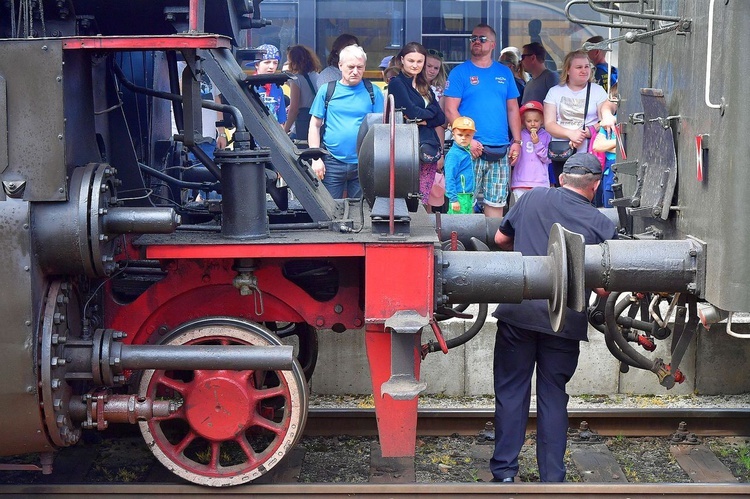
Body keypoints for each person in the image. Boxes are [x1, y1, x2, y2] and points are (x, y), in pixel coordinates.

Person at [491, 153, 618, 483]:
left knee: (511, 392)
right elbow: (606, 288)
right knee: (553, 397)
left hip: (517, 315)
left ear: (562, 178)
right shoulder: (603, 224)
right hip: (564, 324)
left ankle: (504, 473)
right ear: (594, 185)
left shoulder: (532, 196)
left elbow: (500, 239)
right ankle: (552, 479)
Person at [444, 23, 522, 219]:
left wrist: (518, 142)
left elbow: (513, 109)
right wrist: (468, 140)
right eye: (473, 38)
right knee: (464, 202)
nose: (476, 41)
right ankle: (460, 248)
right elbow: (449, 109)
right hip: (468, 149)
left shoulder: (504, 73)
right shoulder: (460, 73)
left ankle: (490, 248)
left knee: (496, 203)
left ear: (493, 44)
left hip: (500, 148)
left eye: (482, 38)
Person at [308, 44, 384, 199]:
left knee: (360, 213)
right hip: (331, 161)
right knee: (328, 210)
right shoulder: (327, 90)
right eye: (351, 67)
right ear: (340, 66)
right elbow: (314, 126)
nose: (355, 71)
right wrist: (316, 158)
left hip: (364, 162)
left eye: (360, 67)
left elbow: (382, 130)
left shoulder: (373, 92)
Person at [387, 42, 446, 212]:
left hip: (428, 147)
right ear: (402, 60)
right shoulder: (397, 83)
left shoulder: (424, 84)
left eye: (419, 62)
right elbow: (412, 113)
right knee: (410, 198)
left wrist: (425, 119)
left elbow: (441, 117)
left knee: (424, 198)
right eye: (411, 60)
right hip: (408, 148)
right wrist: (429, 114)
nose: (415, 65)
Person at [544, 50, 615, 185]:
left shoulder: (598, 90)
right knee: (564, 189)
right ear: (568, 70)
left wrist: (588, 131)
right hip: (562, 151)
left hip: (589, 150)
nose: (584, 70)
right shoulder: (554, 92)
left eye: (587, 66)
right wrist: (571, 134)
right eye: (579, 67)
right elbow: (549, 124)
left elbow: (602, 120)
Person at [510, 101, 551, 201]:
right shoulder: (518, 136)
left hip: (540, 182)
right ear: (523, 121)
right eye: (529, 121)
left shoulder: (546, 136)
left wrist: (537, 143)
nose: (532, 124)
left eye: (536, 120)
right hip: (520, 182)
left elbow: (548, 159)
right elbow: (511, 159)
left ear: (542, 120)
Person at [284, 45, 322, 142]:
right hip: (319, 122)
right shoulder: (318, 76)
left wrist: (284, 131)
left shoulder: (297, 80)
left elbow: (294, 109)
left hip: (303, 125)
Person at [444, 116, 476, 214]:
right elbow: (449, 177)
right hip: (458, 196)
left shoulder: (466, 151)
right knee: (456, 225)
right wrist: (453, 199)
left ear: (473, 135)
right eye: (460, 135)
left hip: (467, 195)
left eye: (467, 135)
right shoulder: (453, 154)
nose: (463, 138)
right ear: (453, 134)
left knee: (467, 224)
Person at [253, 44, 287, 126]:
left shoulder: (278, 88)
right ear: (256, 64)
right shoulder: (248, 86)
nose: (271, 66)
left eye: (275, 63)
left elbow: (281, 122)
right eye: (267, 62)